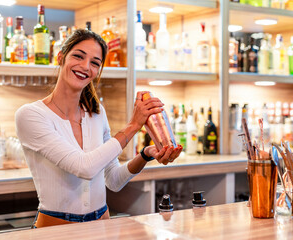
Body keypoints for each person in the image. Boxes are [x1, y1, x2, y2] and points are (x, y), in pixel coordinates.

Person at [15, 29, 182, 228]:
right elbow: (84, 167)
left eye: (95, 63)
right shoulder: (31, 115)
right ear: (61, 57)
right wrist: (133, 125)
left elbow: (113, 180)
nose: (85, 66)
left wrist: (146, 154)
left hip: (101, 226)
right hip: (55, 230)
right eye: (78, 56)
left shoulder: (96, 113)